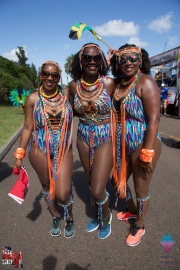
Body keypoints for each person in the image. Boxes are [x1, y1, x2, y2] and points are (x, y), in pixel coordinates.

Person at [14, 60, 74, 238]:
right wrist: (19, 154)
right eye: (45, 74)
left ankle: (69, 217)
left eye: (54, 75)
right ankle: (56, 215)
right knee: (47, 186)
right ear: (40, 75)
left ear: (59, 77)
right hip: (39, 149)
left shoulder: (67, 95)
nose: (49, 78)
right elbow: (27, 128)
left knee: (63, 193)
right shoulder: (33, 99)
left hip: (64, 148)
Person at [109, 44, 162, 246]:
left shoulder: (145, 82)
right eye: (123, 59)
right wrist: (108, 61)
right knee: (117, 180)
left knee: (141, 189)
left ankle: (139, 225)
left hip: (142, 142)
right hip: (122, 143)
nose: (128, 62)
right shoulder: (119, 83)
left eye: (132, 58)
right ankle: (131, 209)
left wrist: (147, 153)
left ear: (140, 60)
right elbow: (102, 82)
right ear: (118, 63)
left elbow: (154, 120)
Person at [68, 43, 116, 239]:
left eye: (97, 57)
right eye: (88, 57)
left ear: (103, 61)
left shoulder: (109, 84)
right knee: (90, 182)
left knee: (97, 189)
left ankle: (106, 216)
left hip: (105, 135)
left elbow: (134, 75)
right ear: (81, 60)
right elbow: (69, 114)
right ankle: (97, 213)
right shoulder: (73, 86)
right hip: (83, 135)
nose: (93, 61)